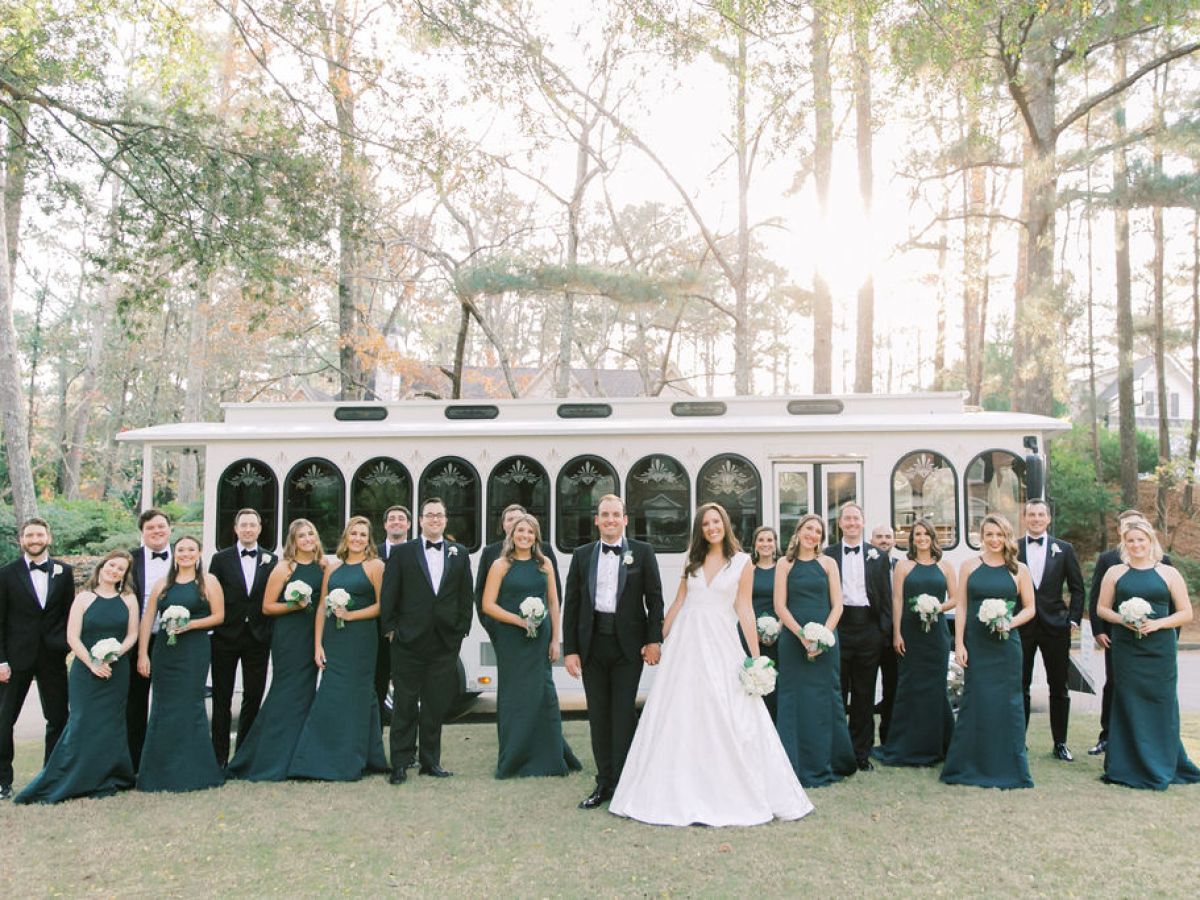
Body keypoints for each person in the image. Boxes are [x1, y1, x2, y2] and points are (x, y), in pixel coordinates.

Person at [610, 503, 813, 826]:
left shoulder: (743, 562)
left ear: (725, 524)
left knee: (729, 710)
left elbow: (744, 609)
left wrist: (755, 655)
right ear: (700, 529)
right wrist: (657, 639)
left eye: (716, 521)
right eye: (705, 523)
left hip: (721, 642)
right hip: (686, 645)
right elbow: (679, 601)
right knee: (680, 712)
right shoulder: (692, 559)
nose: (711, 527)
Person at [563, 494, 664, 810]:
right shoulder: (581, 556)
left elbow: (655, 599)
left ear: (624, 519)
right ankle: (604, 782)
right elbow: (573, 605)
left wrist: (653, 641)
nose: (609, 519)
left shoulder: (643, 553)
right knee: (598, 717)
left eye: (615, 514)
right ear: (596, 520)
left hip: (627, 648)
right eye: (604, 514)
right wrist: (571, 650)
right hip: (592, 646)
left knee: (622, 716)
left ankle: (625, 782)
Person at [15, 551, 139, 803]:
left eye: (120, 569)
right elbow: (72, 637)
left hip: (117, 670)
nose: (114, 571)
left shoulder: (128, 599)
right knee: (82, 723)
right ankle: (73, 777)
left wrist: (114, 655)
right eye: (111, 565)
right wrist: (93, 663)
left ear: (124, 575)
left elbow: (132, 635)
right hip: (86, 671)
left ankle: (109, 775)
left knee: (112, 724)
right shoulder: (83, 597)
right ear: (102, 566)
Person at [1095, 518, 1199, 790]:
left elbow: (1185, 613)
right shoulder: (1115, 572)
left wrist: (1159, 623)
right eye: (1131, 541)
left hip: (1159, 650)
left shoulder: (1168, 573)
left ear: (1150, 541)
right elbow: (1102, 609)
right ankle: (1127, 763)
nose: (1136, 545)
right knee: (1128, 701)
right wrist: (1121, 619)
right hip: (1127, 649)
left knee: (1161, 701)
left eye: (1141, 540)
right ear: (1124, 544)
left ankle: (1163, 760)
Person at [480, 514, 580, 778]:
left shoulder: (544, 563)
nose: (525, 536)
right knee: (514, 697)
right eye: (520, 531)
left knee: (542, 694)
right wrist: (518, 621)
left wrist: (555, 639)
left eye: (530, 532)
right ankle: (514, 759)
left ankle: (548, 757)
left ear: (536, 537)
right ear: (511, 535)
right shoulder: (500, 565)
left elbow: (554, 603)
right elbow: (488, 604)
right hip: (511, 640)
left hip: (539, 640)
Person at [380, 499, 473, 783]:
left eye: (439, 515)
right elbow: (389, 594)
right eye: (429, 515)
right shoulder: (402, 553)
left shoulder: (460, 552)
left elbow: (464, 595)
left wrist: (460, 631)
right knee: (404, 704)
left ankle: (430, 762)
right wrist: (391, 629)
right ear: (420, 520)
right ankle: (399, 762)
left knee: (434, 705)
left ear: (445, 521)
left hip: (445, 642)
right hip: (408, 641)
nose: (434, 519)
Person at [289, 517, 388, 781]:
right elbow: (322, 606)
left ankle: (355, 757)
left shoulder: (375, 566)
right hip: (334, 639)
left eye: (362, 535)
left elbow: (382, 606)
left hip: (361, 640)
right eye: (353, 533)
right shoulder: (332, 568)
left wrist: (352, 615)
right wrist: (318, 644)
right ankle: (321, 757)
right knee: (331, 695)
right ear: (345, 538)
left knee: (358, 696)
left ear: (369, 540)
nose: (357, 538)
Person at [940, 514, 1035, 789]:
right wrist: (959, 643)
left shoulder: (1019, 570)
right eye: (989, 534)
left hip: (1006, 647)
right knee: (977, 700)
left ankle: (1008, 764)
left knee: (1008, 703)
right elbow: (962, 607)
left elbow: (1030, 608)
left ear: (1007, 537)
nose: (994, 540)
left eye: (999, 535)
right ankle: (969, 763)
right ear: (981, 536)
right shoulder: (969, 566)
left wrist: (1009, 621)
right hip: (977, 645)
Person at [227, 519, 325, 781]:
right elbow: (267, 607)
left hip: (311, 636)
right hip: (289, 636)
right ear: (293, 541)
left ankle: (298, 754)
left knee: (305, 693)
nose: (307, 539)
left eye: (310, 534)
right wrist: (296, 605)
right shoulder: (284, 568)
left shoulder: (323, 565)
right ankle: (267, 756)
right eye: (301, 536)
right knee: (285, 692)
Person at [136, 536, 226, 792]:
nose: (185, 554)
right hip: (165, 651)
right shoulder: (162, 583)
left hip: (194, 650)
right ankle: (158, 772)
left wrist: (190, 625)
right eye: (181, 550)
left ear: (199, 553)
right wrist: (144, 653)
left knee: (190, 703)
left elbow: (219, 616)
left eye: (191, 550)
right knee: (163, 706)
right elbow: (147, 619)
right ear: (175, 554)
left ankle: (194, 770)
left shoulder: (208, 581)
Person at [774, 513, 857, 787]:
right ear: (798, 531)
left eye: (818, 531)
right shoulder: (784, 565)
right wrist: (802, 636)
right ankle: (792, 763)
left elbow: (838, 605)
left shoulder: (828, 563)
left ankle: (829, 759)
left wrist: (822, 637)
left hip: (825, 641)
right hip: (793, 641)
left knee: (825, 699)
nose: (813, 535)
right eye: (809, 529)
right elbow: (779, 607)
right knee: (793, 700)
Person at [0, 518, 74, 801]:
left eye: (39, 534)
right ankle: (2, 781)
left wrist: (65, 645)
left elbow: (69, 613)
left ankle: (51, 776)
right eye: (29, 535)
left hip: (53, 656)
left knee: (57, 717)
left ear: (48, 537)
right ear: (22, 540)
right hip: (15, 658)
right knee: (4, 721)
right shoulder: (6, 574)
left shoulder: (63, 572)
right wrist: (1, 660)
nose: (34, 539)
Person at [1086, 508, 1169, 756]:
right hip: (1117, 635)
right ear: (1120, 531)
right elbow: (1097, 601)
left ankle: (1150, 740)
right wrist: (1099, 631)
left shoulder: (1164, 562)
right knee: (1114, 684)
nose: (1134, 539)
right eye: (1127, 528)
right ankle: (1108, 736)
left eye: (1138, 527)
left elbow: (1173, 606)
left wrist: (1169, 637)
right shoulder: (1108, 560)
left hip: (1156, 640)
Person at [874, 518, 956, 766]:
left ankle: (939, 744)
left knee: (935, 688)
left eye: (925, 534)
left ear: (933, 538)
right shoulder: (904, 566)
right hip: (910, 634)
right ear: (912, 539)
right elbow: (897, 600)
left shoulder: (945, 566)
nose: (921, 538)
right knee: (909, 687)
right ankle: (906, 744)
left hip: (936, 635)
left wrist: (935, 607)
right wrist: (897, 633)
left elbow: (956, 598)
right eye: (917, 534)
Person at [824, 503, 892, 770]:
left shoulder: (878, 554)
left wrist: (881, 632)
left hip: (868, 629)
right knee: (838, 692)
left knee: (864, 695)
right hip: (840, 628)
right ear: (840, 524)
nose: (852, 523)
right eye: (847, 519)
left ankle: (861, 754)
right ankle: (837, 751)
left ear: (863, 523)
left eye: (856, 518)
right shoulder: (828, 555)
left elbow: (886, 597)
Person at [1016, 499, 1085, 761]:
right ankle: (1018, 742)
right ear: (1025, 518)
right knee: (1020, 685)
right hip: (1022, 625)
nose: (1035, 519)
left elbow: (1078, 588)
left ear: (1048, 518)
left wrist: (1074, 619)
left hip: (1056, 626)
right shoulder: (1013, 548)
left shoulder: (1064, 549)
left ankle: (1061, 743)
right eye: (1031, 515)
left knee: (1058, 686)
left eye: (1040, 514)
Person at [207, 508, 275, 767]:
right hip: (225, 635)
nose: (248, 529)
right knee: (222, 697)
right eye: (243, 525)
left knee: (253, 695)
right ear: (236, 529)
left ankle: (244, 754)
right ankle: (219, 756)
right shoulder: (220, 559)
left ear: (259, 529)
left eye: (252, 525)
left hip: (257, 637)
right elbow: (213, 593)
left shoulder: (272, 559)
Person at [125, 508, 172, 772]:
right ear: (142, 533)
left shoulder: (185, 556)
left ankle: (164, 757)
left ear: (169, 529)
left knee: (168, 699)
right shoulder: (131, 559)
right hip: (138, 640)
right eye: (150, 528)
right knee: (136, 702)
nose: (156, 532)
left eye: (160, 527)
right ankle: (135, 762)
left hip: (173, 640)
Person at [476, 504, 562, 640]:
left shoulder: (545, 555)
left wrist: (551, 630)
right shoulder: (491, 554)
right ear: (503, 525)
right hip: (505, 631)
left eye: (519, 519)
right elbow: (481, 593)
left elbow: (554, 597)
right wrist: (490, 625)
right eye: (510, 519)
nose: (514, 523)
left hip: (540, 631)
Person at [375, 505, 410, 720]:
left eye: (401, 518)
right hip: (376, 633)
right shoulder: (373, 553)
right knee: (377, 687)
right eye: (392, 518)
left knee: (407, 690)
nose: (396, 521)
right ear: (385, 524)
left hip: (408, 633)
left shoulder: (418, 551)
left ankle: (407, 749)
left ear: (408, 524)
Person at [744, 525, 781, 721]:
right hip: (749, 634)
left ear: (775, 544)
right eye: (761, 540)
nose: (765, 544)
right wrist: (754, 632)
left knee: (773, 684)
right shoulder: (748, 569)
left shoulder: (783, 568)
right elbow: (741, 603)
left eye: (769, 540)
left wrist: (777, 629)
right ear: (755, 544)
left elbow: (786, 602)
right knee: (750, 682)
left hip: (777, 637)